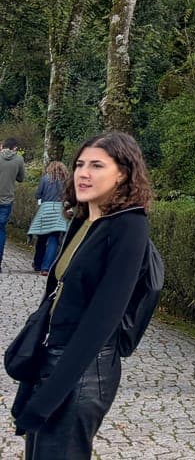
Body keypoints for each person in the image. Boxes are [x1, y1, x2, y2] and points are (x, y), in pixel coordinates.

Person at [9, 132, 153, 458]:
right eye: (79, 164)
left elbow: (101, 321)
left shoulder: (129, 227)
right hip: (53, 360)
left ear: (124, 173)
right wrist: (33, 381)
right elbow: (55, 299)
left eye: (97, 165)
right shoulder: (85, 220)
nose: (83, 173)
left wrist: (49, 397)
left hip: (85, 372)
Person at [28, 161, 70, 276]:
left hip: (45, 209)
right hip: (60, 210)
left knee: (41, 238)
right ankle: (46, 268)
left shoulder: (45, 179)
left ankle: (37, 264)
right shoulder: (66, 181)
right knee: (54, 239)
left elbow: (38, 194)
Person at [0, 138, 26, 268]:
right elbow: (21, 178)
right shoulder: (19, 160)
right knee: (1, 230)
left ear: (3, 146)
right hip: (6, 199)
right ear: (14, 148)